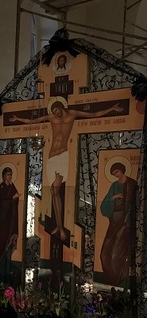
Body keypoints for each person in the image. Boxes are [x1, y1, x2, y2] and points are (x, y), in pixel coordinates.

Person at [10, 100, 124, 242]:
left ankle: (61, 227)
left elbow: (93, 114)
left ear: (61, 107)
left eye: (57, 111)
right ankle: (59, 226)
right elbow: (33, 121)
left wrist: (112, 108)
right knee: (53, 191)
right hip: (51, 157)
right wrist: (17, 119)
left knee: (55, 190)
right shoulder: (51, 118)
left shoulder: (72, 114)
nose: (55, 114)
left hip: (62, 155)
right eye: (53, 112)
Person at [100, 162, 137, 286]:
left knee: (116, 255)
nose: (115, 175)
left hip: (125, 224)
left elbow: (133, 207)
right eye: (113, 173)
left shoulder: (132, 184)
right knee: (104, 254)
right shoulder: (114, 185)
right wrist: (113, 197)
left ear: (121, 170)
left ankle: (118, 282)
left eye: (116, 172)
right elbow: (103, 205)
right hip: (113, 223)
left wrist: (125, 225)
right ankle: (110, 282)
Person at [0, 167, 20, 277]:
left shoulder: (12, 187)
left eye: (11, 175)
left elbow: (15, 201)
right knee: (1, 245)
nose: (9, 177)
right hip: (2, 223)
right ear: (4, 176)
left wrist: (15, 199)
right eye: (8, 175)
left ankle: (7, 270)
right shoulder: (1, 188)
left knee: (8, 246)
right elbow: (1, 205)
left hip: (10, 223)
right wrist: (12, 199)